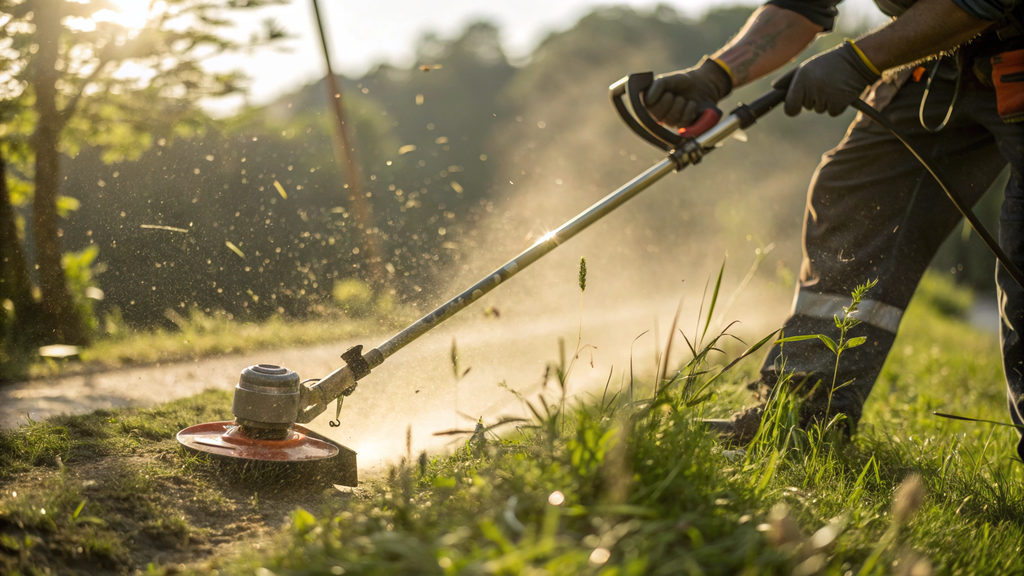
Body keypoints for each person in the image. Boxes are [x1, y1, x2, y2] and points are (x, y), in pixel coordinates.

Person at [643, 0, 1024, 455]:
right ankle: (804, 418)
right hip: (944, 55)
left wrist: (858, 60)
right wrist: (716, 75)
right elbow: (798, 5)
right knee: (856, 197)